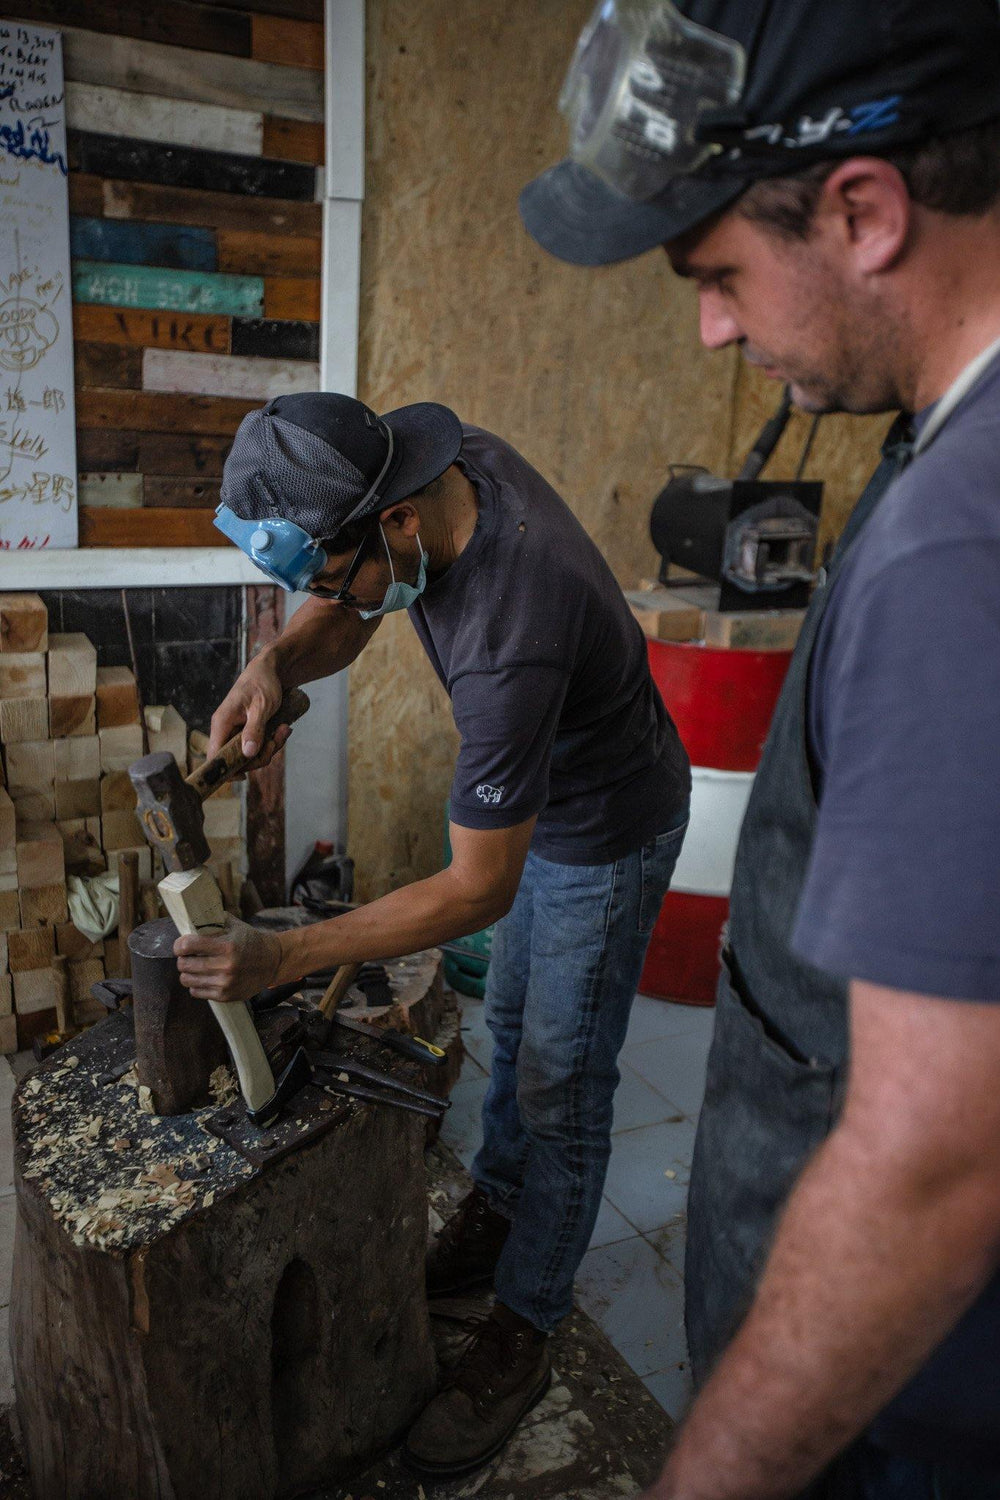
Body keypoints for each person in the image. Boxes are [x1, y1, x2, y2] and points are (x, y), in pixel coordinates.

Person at [520, 1, 1000, 1496]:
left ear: (862, 209)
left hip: (913, 1415)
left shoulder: (958, 543)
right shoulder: (947, 444)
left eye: (718, 272)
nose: (713, 327)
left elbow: (934, 1162)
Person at [179, 392, 691, 1479]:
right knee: (511, 1026)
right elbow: (356, 605)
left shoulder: (516, 625)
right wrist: (278, 664)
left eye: (326, 574)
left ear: (400, 524)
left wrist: (287, 954)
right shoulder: (429, 469)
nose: (321, 601)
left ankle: (526, 1325)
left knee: (561, 1081)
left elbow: (473, 889)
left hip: (603, 824)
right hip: (537, 795)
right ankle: (503, 1215)